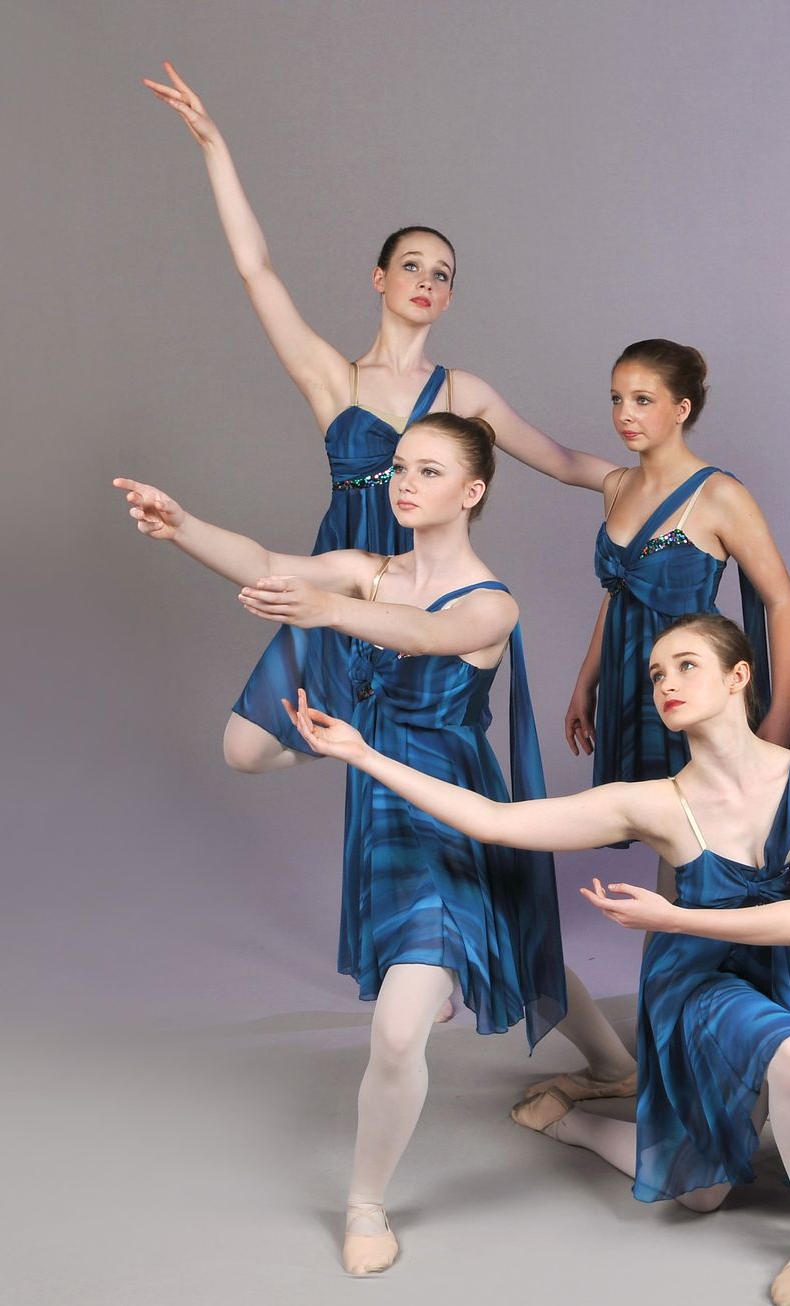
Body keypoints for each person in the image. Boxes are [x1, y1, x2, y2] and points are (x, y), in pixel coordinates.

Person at [112, 414, 630, 1275]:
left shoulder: (491, 602)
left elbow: (423, 635)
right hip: (378, 799)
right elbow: (271, 564)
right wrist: (183, 528)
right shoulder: (367, 568)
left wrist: (330, 610)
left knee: (401, 1027)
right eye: (399, 466)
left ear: (471, 492)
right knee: (515, 933)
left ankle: (365, 1203)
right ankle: (615, 1063)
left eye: (428, 470)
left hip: (452, 811)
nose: (404, 480)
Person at [289, 614, 790, 1306]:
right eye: (656, 674)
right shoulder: (652, 802)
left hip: (789, 975)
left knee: (704, 1189)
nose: (666, 684)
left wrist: (670, 915)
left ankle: (584, 1122)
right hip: (700, 986)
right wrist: (364, 754)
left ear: (740, 676)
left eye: (686, 665)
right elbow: (496, 822)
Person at [142, 61, 616, 773]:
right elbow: (256, 270)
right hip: (348, 570)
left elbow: (565, 462)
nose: (426, 281)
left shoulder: (466, 391)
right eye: (412, 266)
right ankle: (362, 746)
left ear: (450, 299)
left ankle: (411, 768)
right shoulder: (334, 379)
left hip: (426, 586)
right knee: (245, 747)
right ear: (380, 278)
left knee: (422, 731)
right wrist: (215, 147)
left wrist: (645, 482)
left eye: (442, 274)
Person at [570, 343, 790, 858]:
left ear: (682, 409)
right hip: (630, 682)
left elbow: (782, 600)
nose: (624, 414)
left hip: (693, 683)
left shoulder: (719, 494)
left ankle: (705, 934)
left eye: (642, 400)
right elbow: (619, 593)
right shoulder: (619, 486)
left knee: (702, 833)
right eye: (616, 398)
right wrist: (587, 683)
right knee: (660, 827)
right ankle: (674, 934)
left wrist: (780, 710)